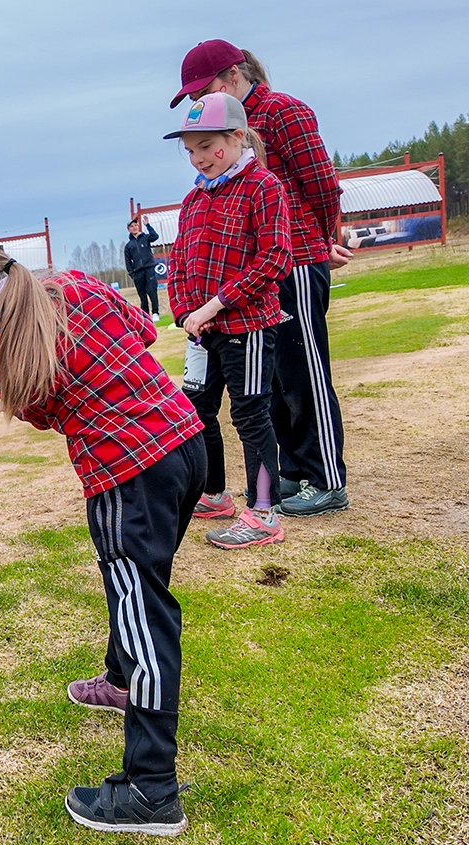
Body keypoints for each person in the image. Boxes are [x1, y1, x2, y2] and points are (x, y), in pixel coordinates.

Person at [0, 234, 206, 836]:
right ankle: (120, 681)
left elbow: (44, 411)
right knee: (137, 588)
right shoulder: (74, 284)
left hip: (126, 474)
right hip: (184, 444)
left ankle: (151, 788)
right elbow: (142, 332)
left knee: (144, 612)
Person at [172, 39, 351, 517]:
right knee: (268, 380)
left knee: (304, 373)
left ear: (234, 75)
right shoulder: (220, 136)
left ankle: (326, 478)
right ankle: (290, 470)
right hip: (249, 278)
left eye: (204, 89)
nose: (199, 100)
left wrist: (321, 241)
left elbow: (321, 184)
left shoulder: (282, 111)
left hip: (294, 259)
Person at [165, 93, 293, 550]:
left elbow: (275, 257)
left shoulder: (263, 187)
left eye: (207, 146)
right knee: (196, 411)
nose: (199, 158)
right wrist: (185, 311)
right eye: (191, 151)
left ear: (238, 137)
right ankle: (214, 492)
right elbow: (179, 262)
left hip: (248, 328)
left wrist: (216, 304)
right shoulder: (193, 200)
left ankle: (264, 513)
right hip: (202, 334)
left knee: (250, 414)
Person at [123, 216, 161, 319]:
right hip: (138, 273)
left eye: (136, 225)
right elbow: (128, 261)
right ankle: (145, 316)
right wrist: (132, 274)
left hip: (149, 269)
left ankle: (155, 313)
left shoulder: (145, 238)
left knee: (152, 291)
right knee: (142, 296)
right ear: (129, 229)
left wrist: (147, 225)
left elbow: (155, 236)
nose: (134, 227)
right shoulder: (128, 246)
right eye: (132, 226)